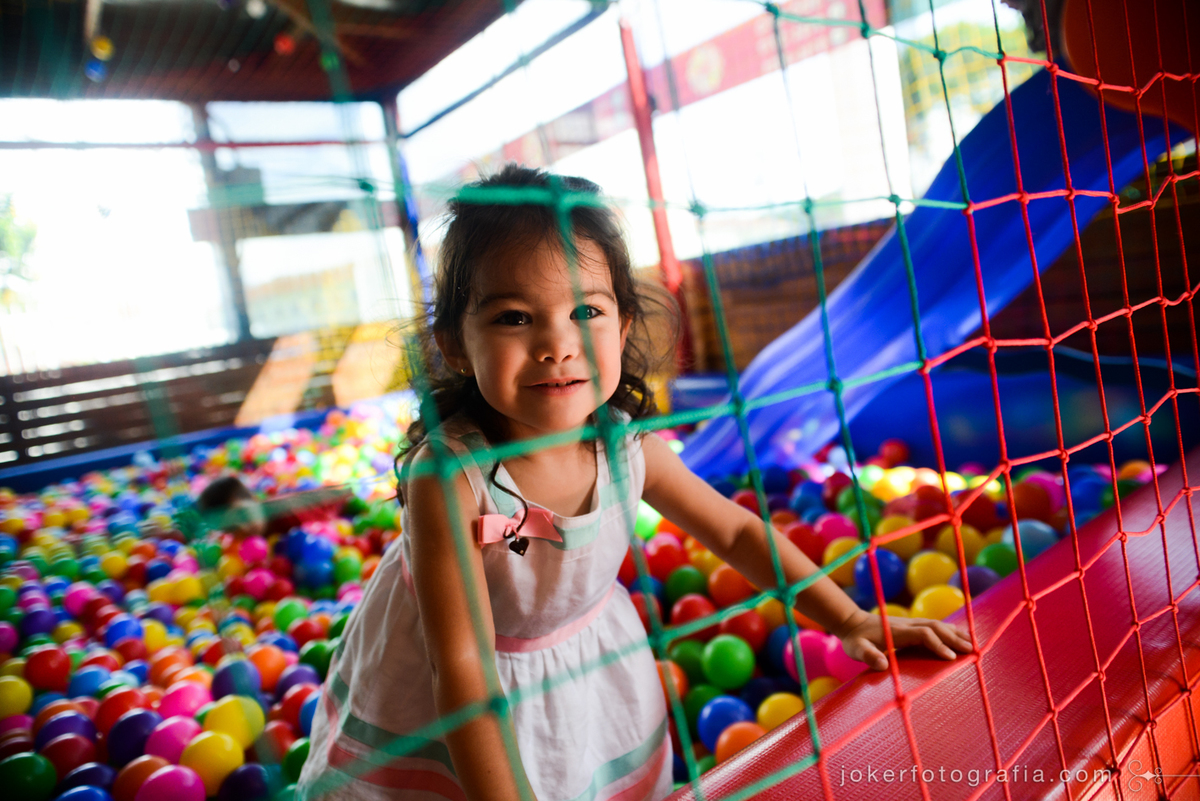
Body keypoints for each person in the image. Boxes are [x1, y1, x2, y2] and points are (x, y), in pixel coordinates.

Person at [298, 165, 972, 801]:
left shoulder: (624, 447)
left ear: (622, 324)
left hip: (586, 673)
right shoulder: (450, 477)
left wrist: (850, 616)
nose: (556, 344)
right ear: (453, 341)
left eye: (585, 312)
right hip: (463, 696)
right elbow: (464, 667)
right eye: (513, 317)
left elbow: (735, 528)